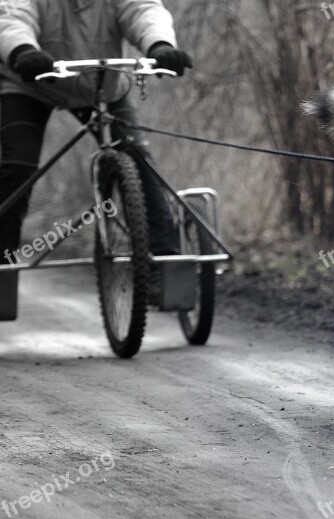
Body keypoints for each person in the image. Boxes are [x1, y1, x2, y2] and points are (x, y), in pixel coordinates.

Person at [0, 0, 192, 309]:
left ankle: (163, 264)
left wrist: (159, 44)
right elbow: (12, 17)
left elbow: (142, 10)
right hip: (31, 82)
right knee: (17, 165)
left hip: (102, 85)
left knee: (139, 160)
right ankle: (3, 265)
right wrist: (22, 50)